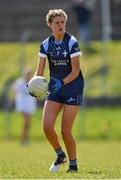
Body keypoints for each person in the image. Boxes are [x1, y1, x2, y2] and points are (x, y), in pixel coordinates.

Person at [30, 9, 84, 172]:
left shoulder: (71, 42)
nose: (61, 25)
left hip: (73, 87)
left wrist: (61, 82)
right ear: (50, 25)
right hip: (55, 87)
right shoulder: (45, 44)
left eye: (63, 22)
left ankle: (73, 166)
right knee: (46, 126)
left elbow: (75, 71)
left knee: (65, 130)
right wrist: (32, 85)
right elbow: (40, 72)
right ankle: (61, 155)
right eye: (57, 23)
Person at [12, 68, 37, 145]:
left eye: (29, 74)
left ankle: (25, 139)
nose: (28, 75)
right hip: (22, 104)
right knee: (26, 121)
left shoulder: (32, 83)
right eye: (27, 74)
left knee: (28, 123)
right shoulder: (19, 82)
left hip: (29, 104)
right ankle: (23, 140)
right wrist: (17, 100)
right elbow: (14, 91)